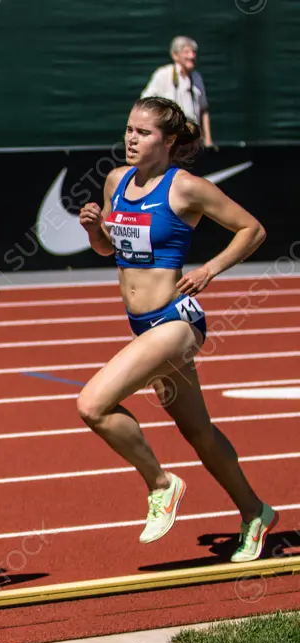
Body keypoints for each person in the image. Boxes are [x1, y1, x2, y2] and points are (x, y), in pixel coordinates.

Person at [77, 96, 276, 563]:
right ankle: (256, 512)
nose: (131, 138)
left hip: (176, 322)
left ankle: (162, 484)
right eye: (128, 129)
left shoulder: (185, 187)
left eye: (142, 133)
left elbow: (252, 229)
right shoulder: (116, 181)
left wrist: (210, 269)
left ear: (167, 141)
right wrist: (94, 231)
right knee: (199, 432)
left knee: (91, 405)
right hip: (142, 326)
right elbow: (111, 252)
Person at [141, 36, 212, 147]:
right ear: (175, 55)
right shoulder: (163, 75)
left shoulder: (197, 77)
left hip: (192, 140)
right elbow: (145, 104)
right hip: (168, 140)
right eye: (187, 52)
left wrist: (208, 141)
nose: (192, 56)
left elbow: (204, 110)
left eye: (194, 52)